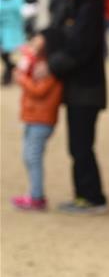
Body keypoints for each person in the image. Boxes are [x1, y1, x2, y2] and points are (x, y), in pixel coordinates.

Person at [36, 0, 108, 213]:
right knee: (77, 144)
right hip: (77, 90)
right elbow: (57, 30)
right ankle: (84, 195)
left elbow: (78, 49)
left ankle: (93, 198)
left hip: (86, 91)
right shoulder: (72, 3)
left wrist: (51, 66)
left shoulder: (90, 6)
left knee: (81, 145)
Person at [11, 38, 62, 211]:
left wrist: (22, 79)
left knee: (33, 157)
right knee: (28, 156)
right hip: (33, 117)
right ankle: (34, 193)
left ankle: (37, 197)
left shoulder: (51, 69)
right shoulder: (39, 65)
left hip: (42, 119)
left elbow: (38, 91)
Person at [0, 0, 26, 85]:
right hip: (2, 31)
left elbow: (23, 12)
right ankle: (12, 70)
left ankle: (10, 74)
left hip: (15, 31)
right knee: (5, 55)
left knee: (9, 55)